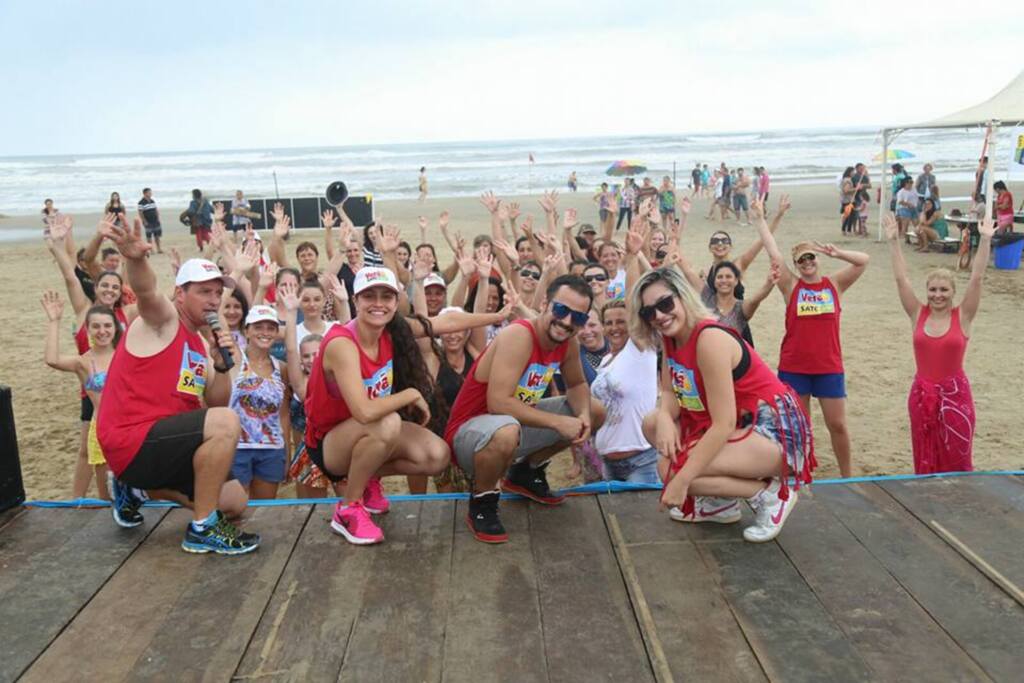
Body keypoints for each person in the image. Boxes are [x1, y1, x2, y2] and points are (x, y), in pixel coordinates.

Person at [96, 218, 259, 554]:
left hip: (165, 444)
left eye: (218, 292)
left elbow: (216, 401)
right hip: (131, 438)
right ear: (179, 294)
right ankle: (202, 529)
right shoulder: (163, 320)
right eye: (204, 292)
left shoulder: (201, 345)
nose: (214, 300)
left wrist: (221, 365)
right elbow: (145, 292)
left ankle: (135, 490)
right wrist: (136, 259)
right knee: (227, 423)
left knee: (234, 500)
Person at [633, 266, 814, 541]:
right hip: (741, 423)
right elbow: (670, 393)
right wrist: (665, 419)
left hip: (775, 431)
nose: (659, 315)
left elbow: (724, 423)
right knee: (652, 423)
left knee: (670, 469)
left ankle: (770, 495)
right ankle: (719, 503)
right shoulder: (671, 339)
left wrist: (681, 482)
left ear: (683, 297)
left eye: (665, 303)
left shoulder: (709, 339)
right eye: (648, 312)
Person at [445, 275, 604, 544]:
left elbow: (577, 384)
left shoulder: (568, 342)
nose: (566, 322)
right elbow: (499, 403)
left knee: (596, 410)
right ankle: (482, 502)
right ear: (544, 303)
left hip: (511, 426)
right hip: (471, 434)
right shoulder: (519, 335)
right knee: (506, 430)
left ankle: (525, 473)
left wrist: (584, 417)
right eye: (561, 310)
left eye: (577, 317)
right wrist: (557, 423)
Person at [303, 267, 450, 545]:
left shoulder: (389, 331)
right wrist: (410, 394)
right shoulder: (341, 344)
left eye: (387, 296)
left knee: (436, 456)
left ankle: (366, 475)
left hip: (363, 434)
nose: (379, 304)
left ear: (396, 303)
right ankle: (347, 509)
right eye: (369, 296)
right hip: (328, 444)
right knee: (387, 421)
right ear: (355, 300)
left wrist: (502, 316)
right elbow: (365, 412)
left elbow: (444, 323)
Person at [752, 199, 868, 478]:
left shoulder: (835, 284)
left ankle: (847, 475)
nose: (807, 263)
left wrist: (837, 252)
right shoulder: (792, 286)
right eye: (801, 260)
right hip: (795, 367)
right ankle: (801, 472)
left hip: (829, 367)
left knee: (837, 424)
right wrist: (759, 220)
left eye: (810, 258)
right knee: (799, 425)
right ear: (797, 265)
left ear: (818, 260)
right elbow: (773, 253)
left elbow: (864, 261)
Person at [883, 212, 994, 473]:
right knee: (925, 455)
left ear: (953, 293)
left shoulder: (963, 315)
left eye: (944, 290)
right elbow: (902, 280)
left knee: (957, 457)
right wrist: (893, 242)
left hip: (956, 396)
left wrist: (986, 240)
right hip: (922, 396)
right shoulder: (917, 313)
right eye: (933, 289)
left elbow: (977, 278)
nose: (937, 295)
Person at [41, 293, 120, 501]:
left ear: (115, 327)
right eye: (96, 326)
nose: (102, 331)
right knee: (107, 495)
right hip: (102, 429)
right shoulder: (83, 362)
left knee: (133, 488)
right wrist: (54, 322)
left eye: (107, 326)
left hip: (128, 426)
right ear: (88, 329)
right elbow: (52, 359)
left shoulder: (127, 354)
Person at [590, 299, 659, 484]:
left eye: (621, 321)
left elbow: (635, 297)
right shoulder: (605, 361)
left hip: (641, 462)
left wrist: (631, 267)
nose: (615, 328)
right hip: (608, 463)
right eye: (608, 323)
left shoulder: (641, 351)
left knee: (643, 513)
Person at [227, 304, 290, 500]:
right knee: (236, 507)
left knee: (264, 511)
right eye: (258, 327)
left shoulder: (282, 367)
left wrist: (286, 452)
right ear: (246, 330)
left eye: (271, 328)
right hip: (237, 447)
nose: (265, 332)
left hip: (271, 449)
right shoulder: (236, 359)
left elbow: (284, 414)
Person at [137, 188, 162, 253]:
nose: (150, 194)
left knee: (157, 235)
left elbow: (156, 209)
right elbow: (140, 212)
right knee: (149, 236)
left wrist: (158, 218)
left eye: (151, 192)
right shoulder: (141, 202)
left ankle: (159, 248)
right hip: (148, 221)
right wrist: (144, 221)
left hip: (155, 220)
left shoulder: (152, 201)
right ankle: (151, 249)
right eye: (149, 193)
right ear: (145, 193)